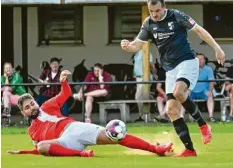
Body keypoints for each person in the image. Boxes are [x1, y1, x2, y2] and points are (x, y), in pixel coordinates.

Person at [120, 0, 225, 157]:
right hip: (170, 69)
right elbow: (137, 45)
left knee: (178, 92)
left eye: (157, 10)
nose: (154, 14)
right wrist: (127, 46)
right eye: (151, 11)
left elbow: (199, 31)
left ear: (164, 7)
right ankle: (190, 150)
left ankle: (203, 125)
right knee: (171, 110)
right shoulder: (148, 24)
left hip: (187, 62)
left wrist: (217, 48)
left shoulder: (176, 16)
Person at [7, 70, 172, 157]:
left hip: (74, 128)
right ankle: (81, 154)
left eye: (32, 103)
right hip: (63, 142)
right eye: (28, 107)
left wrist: (63, 81)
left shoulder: (47, 106)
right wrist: (22, 152)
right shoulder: (32, 131)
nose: (32, 107)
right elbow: (42, 149)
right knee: (42, 145)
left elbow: (65, 94)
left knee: (114, 134)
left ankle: (155, 149)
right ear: (23, 112)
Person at [133, 50, 157, 122]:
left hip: (145, 77)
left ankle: (145, 117)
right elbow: (136, 64)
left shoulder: (146, 52)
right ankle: (143, 116)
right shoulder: (136, 53)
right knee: (141, 97)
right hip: (138, 77)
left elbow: (150, 64)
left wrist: (154, 73)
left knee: (141, 97)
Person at [190, 53, 216, 122]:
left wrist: (210, 91)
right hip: (192, 91)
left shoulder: (208, 69)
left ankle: (211, 117)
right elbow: (187, 81)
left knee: (210, 95)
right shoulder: (191, 69)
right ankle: (181, 117)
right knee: (183, 96)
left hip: (204, 91)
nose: (200, 61)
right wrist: (187, 90)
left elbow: (211, 82)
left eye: (202, 59)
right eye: (198, 59)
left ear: (204, 60)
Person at [1, 62, 26, 126]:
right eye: (6, 68)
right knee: (5, 96)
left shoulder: (17, 75)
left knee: (6, 92)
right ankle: (6, 115)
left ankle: (6, 113)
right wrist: (6, 78)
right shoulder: (2, 77)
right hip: (9, 99)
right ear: (4, 70)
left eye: (9, 68)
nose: (8, 70)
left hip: (20, 97)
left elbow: (11, 88)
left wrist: (4, 86)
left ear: (12, 69)